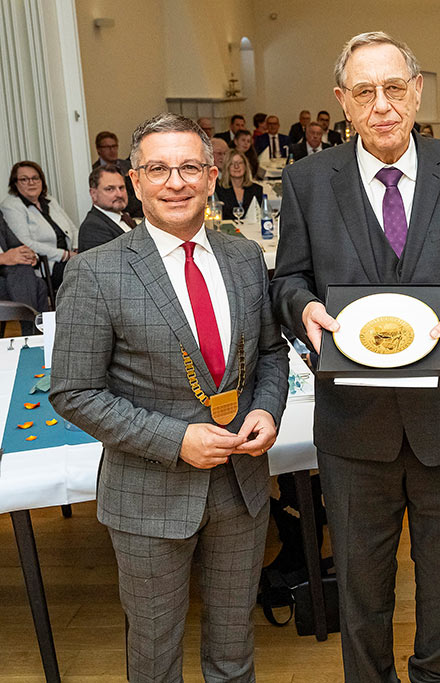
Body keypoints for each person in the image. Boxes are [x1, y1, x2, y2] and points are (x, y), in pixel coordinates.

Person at [270, 31, 440, 683]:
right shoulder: (305, 183)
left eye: (392, 87)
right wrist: (303, 309)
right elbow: (287, 278)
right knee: (360, 591)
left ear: (416, 92)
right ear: (342, 103)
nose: (380, 104)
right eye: (363, 91)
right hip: (354, 427)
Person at [50, 111, 289, 683]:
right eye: (158, 168)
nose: (175, 182)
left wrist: (265, 408)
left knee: (234, 654)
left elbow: (273, 356)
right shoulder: (98, 272)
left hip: (242, 488)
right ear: (135, 182)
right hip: (148, 497)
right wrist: (175, 438)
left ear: (211, 176)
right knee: (154, 661)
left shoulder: (243, 257)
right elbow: (74, 391)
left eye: (188, 167)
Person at [1, 161, 76, 291]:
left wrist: (77, 249)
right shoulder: (11, 206)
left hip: (70, 257)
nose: (31, 183)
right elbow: (25, 242)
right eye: (24, 179)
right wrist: (64, 255)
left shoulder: (50, 201)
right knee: (83, 272)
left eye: (35, 178)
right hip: (48, 265)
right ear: (15, 183)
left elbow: (73, 229)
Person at [0, 212, 48, 320]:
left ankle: (34, 328)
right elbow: (8, 256)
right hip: (7, 272)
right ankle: (32, 328)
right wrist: (3, 258)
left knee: (37, 283)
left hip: (9, 272)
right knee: (35, 282)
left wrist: (29, 255)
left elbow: (17, 245)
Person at [79, 164, 136, 252]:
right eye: (110, 189)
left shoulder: (125, 218)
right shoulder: (92, 228)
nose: (119, 194)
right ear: (93, 194)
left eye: (121, 188)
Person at [93, 131, 144, 217]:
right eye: (107, 147)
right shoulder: (94, 171)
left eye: (114, 146)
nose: (112, 150)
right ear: (98, 150)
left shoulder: (129, 165)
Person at [216, 150, 264, 219]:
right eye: (232, 163)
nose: (236, 166)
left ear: (245, 166)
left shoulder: (257, 190)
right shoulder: (219, 190)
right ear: (227, 167)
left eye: (240, 163)